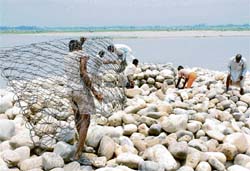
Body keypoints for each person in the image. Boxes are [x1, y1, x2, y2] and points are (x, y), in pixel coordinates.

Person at [65, 38, 103, 160]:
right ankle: (78, 153)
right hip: (81, 91)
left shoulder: (67, 56)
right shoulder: (82, 54)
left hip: (70, 91)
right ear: (79, 48)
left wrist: (81, 43)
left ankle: (81, 144)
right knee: (85, 121)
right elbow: (83, 72)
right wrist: (95, 92)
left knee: (77, 118)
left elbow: (76, 52)